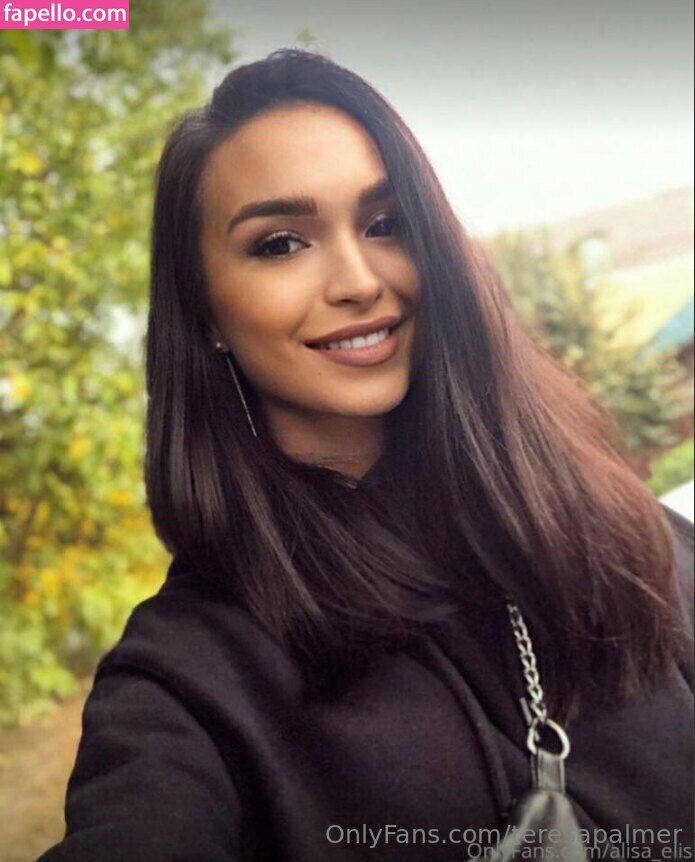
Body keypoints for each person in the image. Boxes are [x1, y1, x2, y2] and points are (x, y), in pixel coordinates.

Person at [38, 49, 693, 862]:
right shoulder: (190, 680)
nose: (357, 281)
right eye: (281, 243)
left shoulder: (607, 528)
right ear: (204, 310)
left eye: (385, 224)